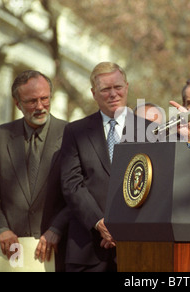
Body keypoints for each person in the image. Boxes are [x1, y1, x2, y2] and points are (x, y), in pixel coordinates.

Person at [60, 62, 152, 272]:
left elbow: (154, 185)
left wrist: (123, 227)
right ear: (94, 93)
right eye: (105, 89)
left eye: (117, 87)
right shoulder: (76, 131)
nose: (113, 94)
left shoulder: (150, 132)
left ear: (127, 87)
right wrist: (99, 223)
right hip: (87, 246)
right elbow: (71, 184)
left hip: (136, 246)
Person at [0, 70, 69, 271]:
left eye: (45, 98)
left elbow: (78, 190)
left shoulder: (71, 135)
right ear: (17, 103)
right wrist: (0, 229)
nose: (40, 106)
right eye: (31, 101)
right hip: (11, 250)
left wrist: (57, 228)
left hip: (58, 250)